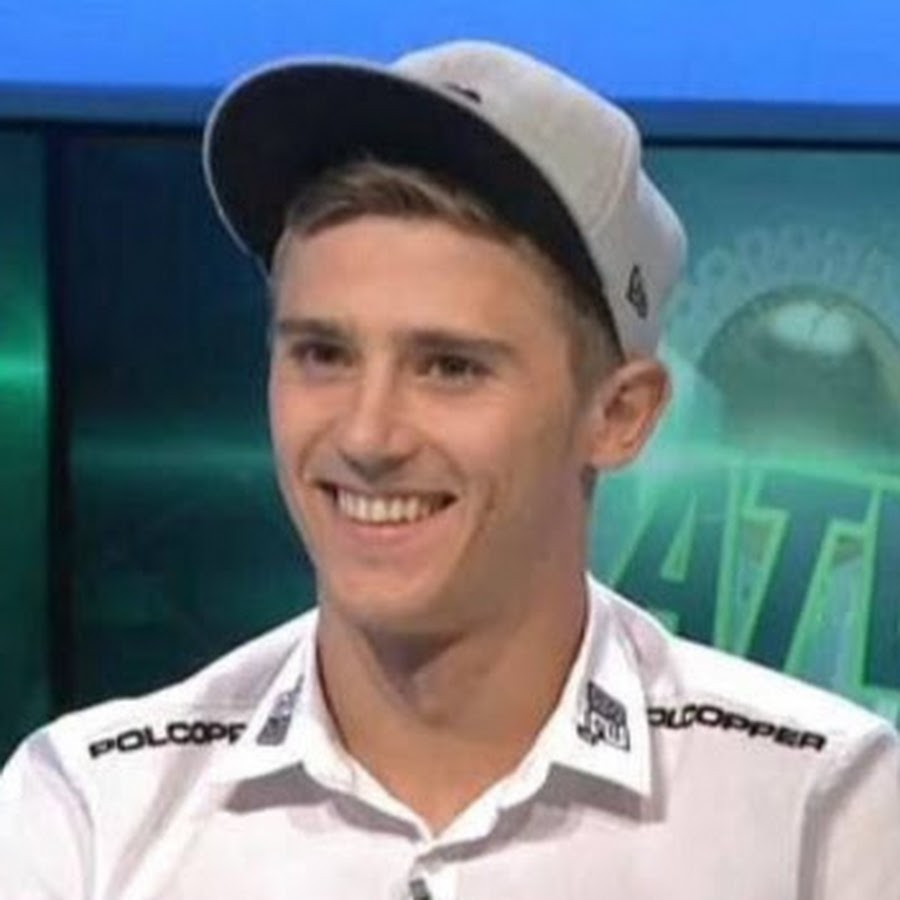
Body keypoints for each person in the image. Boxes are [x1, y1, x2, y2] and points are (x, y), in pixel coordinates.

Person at [1, 40, 898, 900]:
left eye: (450, 367)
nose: (367, 434)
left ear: (620, 415)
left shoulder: (825, 813)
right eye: (322, 354)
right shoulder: (89, 813)